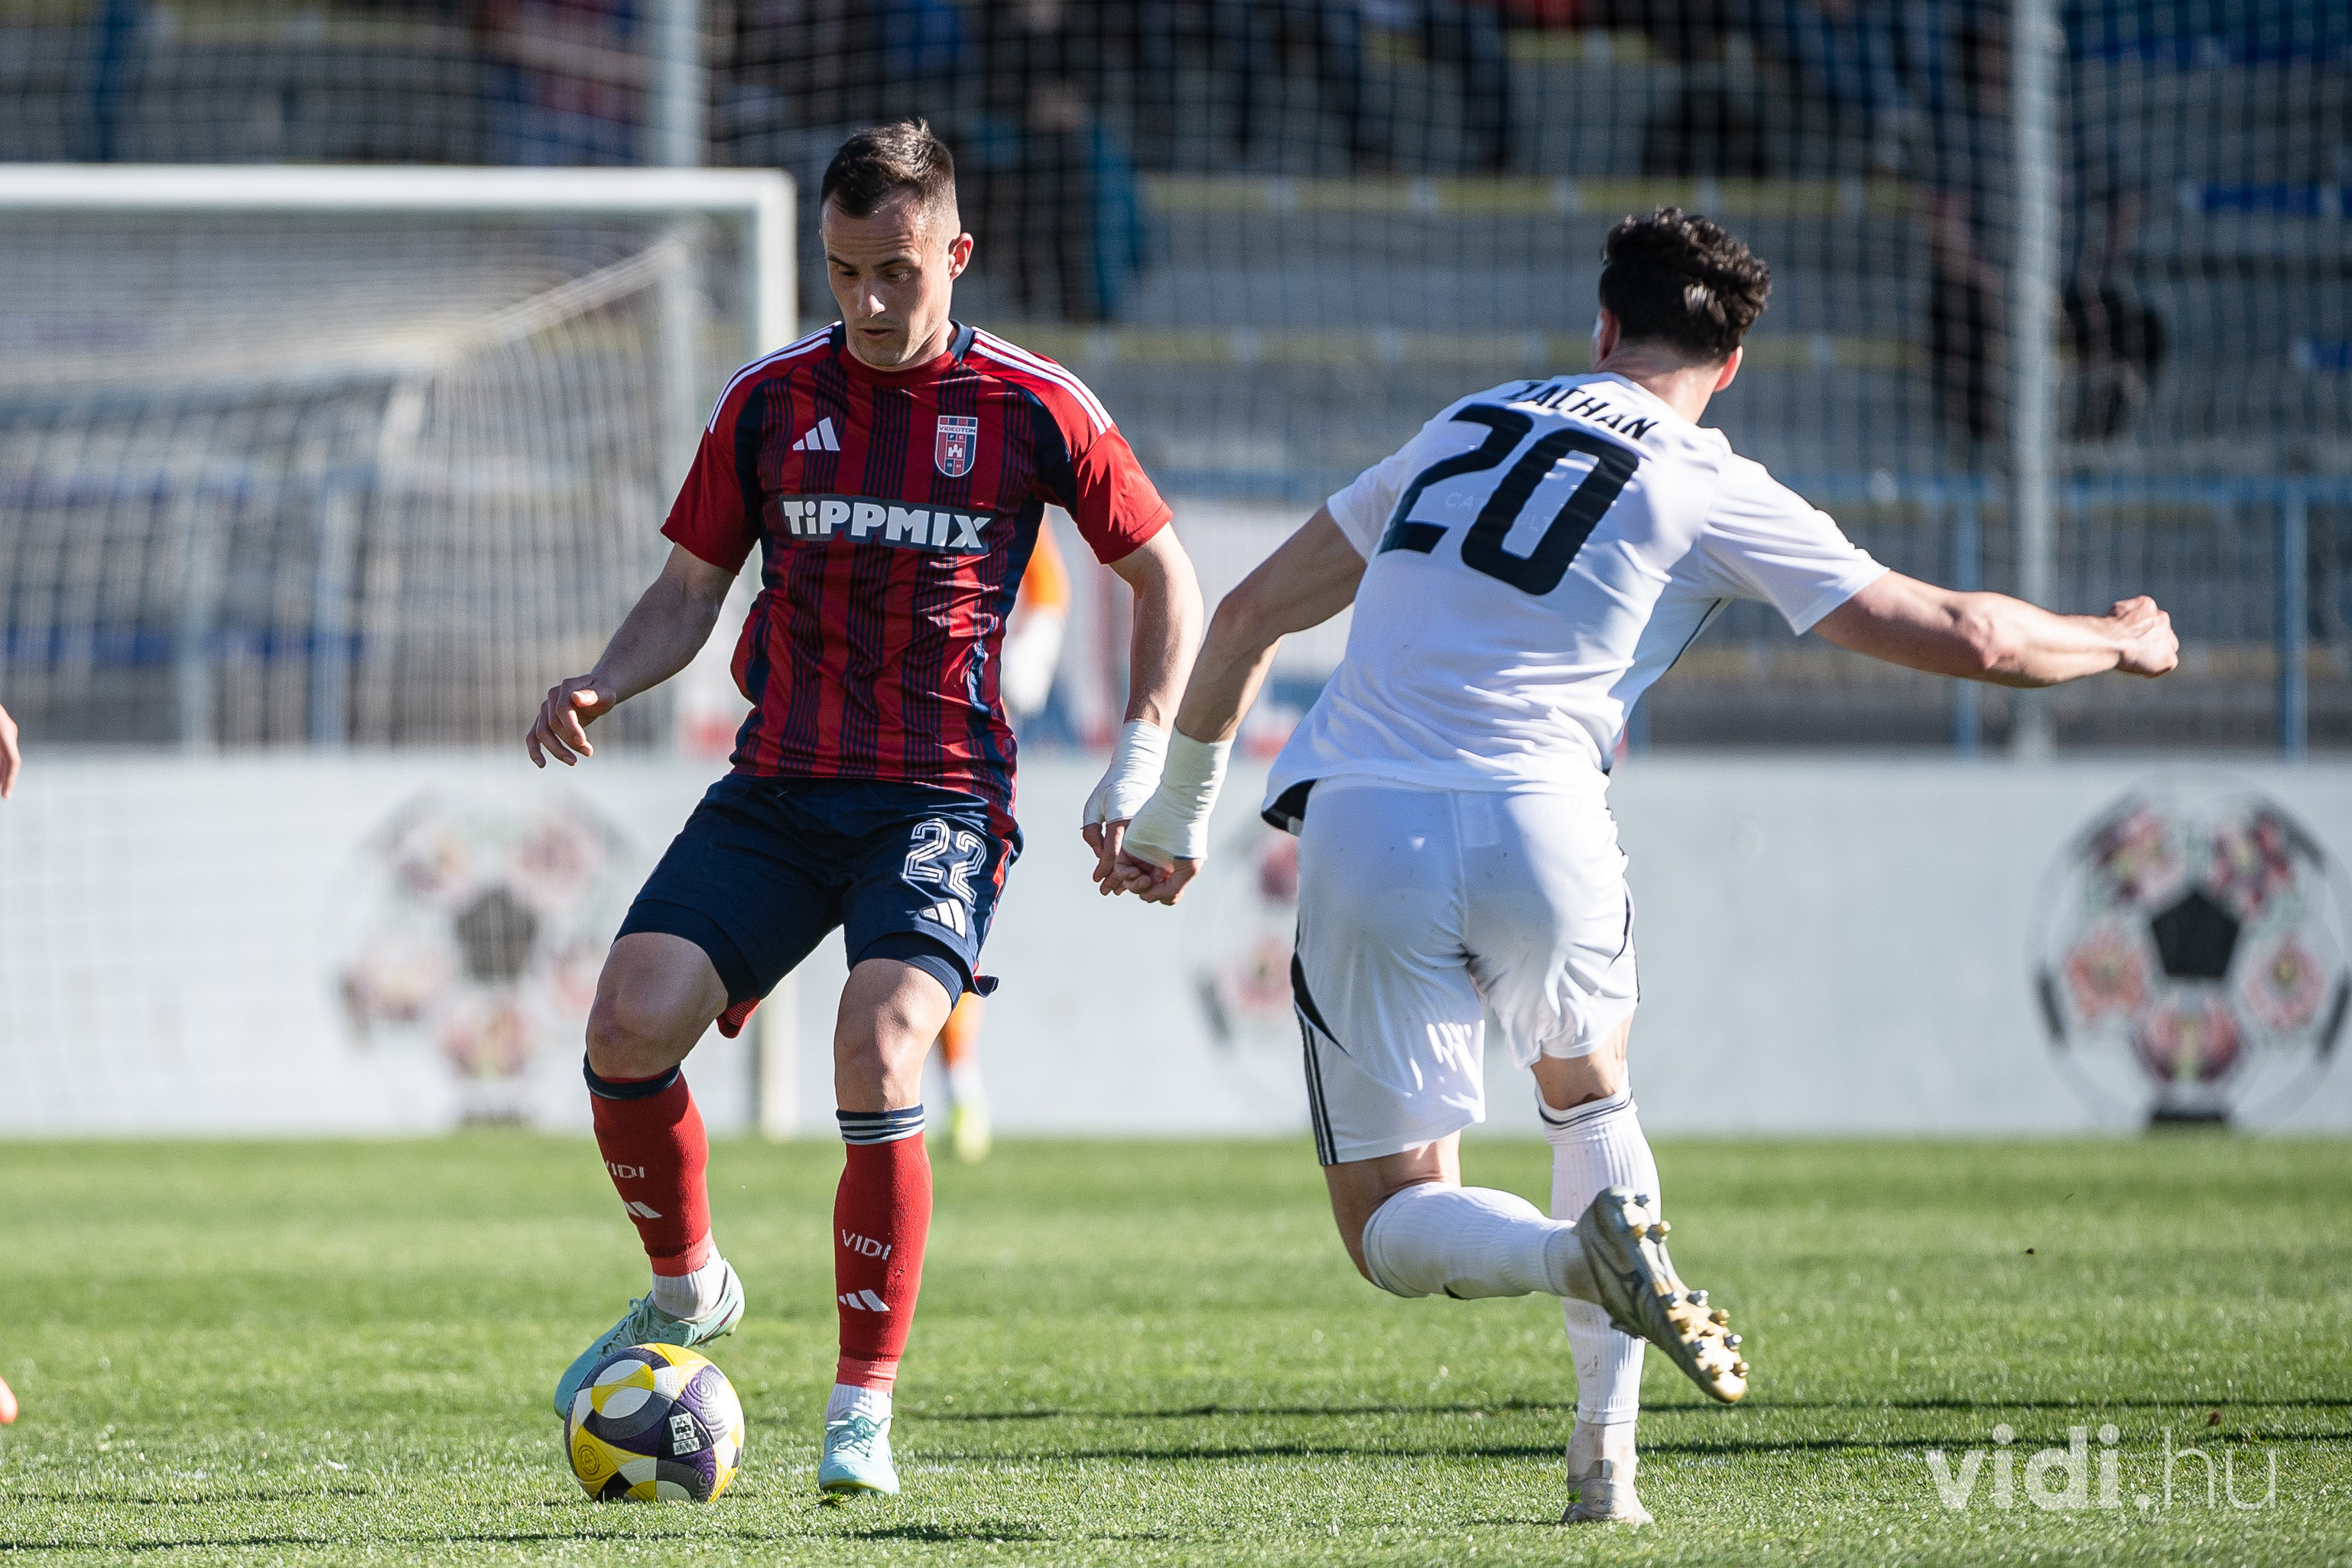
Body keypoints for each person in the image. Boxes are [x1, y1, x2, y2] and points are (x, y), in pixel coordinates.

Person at [1105, 207, 2178, 1525]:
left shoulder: (1462, 425)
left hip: (1368, 819)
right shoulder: (1707, 480)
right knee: (1590, 1098)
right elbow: (1971, 635)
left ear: (1602, 326)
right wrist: (2116, 638)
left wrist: (1175, 819)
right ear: (1731, 365)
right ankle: (1605, 1467)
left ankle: (1573, 1259)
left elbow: (1248, 612)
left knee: (1390, 1223)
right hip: (1544, 824)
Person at [525, 120, 1202, 1498]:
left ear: (956, 253)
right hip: (779, 786)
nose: (871, 303)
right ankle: (689, 1289)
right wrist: (604, 676)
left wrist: (1142, 760)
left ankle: (859, 1411)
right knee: (627, 1018)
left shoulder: (1034, 404)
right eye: (844, 271)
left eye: (897, 271)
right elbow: (690, 591)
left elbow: (1165, 578)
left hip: (939, 797)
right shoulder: (771, 398)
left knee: (883, 1042)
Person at [928, 525, 1073, 1164]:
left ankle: (961, 1091)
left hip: (963, 741)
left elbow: (1050, 588)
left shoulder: (992, 482)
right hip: (870, 731)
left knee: (942, 919)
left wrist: (1022, 670)